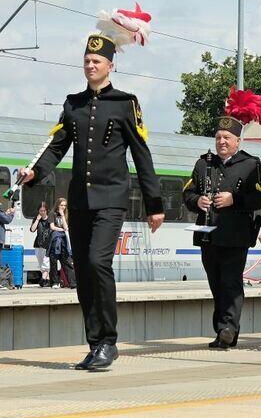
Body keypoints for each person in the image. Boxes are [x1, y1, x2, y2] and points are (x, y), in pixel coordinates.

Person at [22, 29, 164, 372]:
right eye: (86, 60)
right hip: (80, 201)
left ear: (110, 65)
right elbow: (56, 147)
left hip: (112, 198)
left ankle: (109, 342)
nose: (90, 65)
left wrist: (155, 204)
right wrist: (35, 173)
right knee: (83, 271)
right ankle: (95, 343)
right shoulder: (73, 103)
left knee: (99, 263)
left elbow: (141, 154)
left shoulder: (126, 103)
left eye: (97, 61)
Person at [183, 99, 261, 349]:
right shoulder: (203, 163)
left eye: (227, 138)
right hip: (208, 236)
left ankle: (228, 329)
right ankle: (223, 329)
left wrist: (234, 199)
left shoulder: (251, 164)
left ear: (238, 141)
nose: (222, 141)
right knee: (216, 284)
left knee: (231, 282)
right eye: (218, 137)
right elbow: (187, 193)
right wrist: (197, 201)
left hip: (236, 235)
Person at [48, 197, 73, 288]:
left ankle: (73, 282)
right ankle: (54, 282)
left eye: (65, 205)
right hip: (55, 240)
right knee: (53, 262)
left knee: (66, 261)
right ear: (57, 205)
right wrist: (61, 229)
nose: (63, 207)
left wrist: (62, 216)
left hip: (63, 240)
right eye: (61, 205)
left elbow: (66, 227)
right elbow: (52, 226)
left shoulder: (65, 215)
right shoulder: (52, 214)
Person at [29, 200, 53, 287]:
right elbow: (32, 229)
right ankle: (47, 280)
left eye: (44, 211)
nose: (42, 212)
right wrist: (37, 219)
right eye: (40, 211)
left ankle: (43, 279)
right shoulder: (37, 219)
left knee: (46, 262)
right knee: (41, 262)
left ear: (47, 210)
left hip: (47, 244)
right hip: (38, 244)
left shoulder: (50, 219)